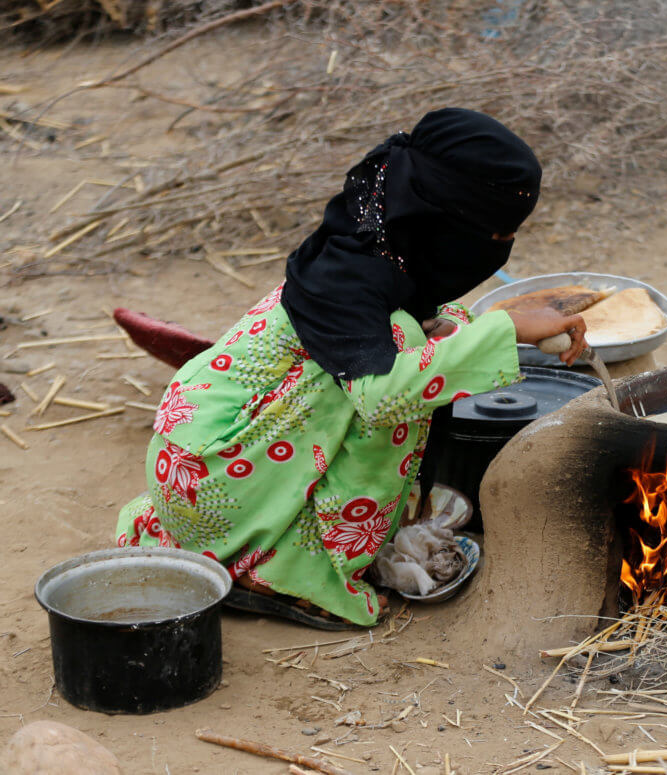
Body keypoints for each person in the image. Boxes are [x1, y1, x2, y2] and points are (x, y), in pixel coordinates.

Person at [115, 108, 586, 629]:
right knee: (399, 384)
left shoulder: (366, 246)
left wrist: (488, 326)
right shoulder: (355, 286)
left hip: (191, 478)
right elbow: (383, 396)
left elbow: (424, 333)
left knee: (421, 342)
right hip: (214, 490)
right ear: (443, 219)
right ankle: (296, 575)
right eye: (496, 235)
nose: (500, 248)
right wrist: (505, 330)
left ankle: (268, 545)